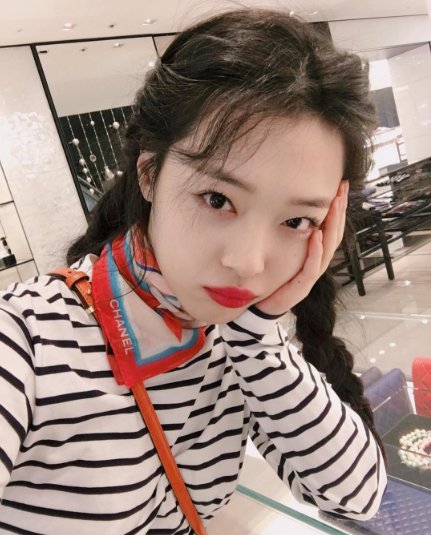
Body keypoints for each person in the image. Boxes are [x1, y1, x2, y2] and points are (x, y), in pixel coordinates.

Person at [0, 8, 387, 534]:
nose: (247, 262)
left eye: (296, 220)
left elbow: (356, 496)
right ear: (149, 174)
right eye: (217, 198)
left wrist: (259, 336)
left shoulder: (241, 341)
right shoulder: (28, 338)